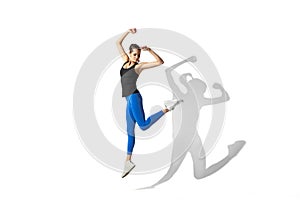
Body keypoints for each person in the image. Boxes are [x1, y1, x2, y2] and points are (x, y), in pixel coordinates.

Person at [117, 28, 182, 178]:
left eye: (138, 55)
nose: (137, 57)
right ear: (129, 53)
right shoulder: (125, 61)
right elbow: (118, 42)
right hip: (128, 99)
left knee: (144, 126)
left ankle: (167, 108)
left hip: (134, 97)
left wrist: (150, 50)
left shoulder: (138, 66)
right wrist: (127, 31)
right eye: (134, 54)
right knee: (130, 132)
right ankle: (128, 161)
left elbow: (160, 62)